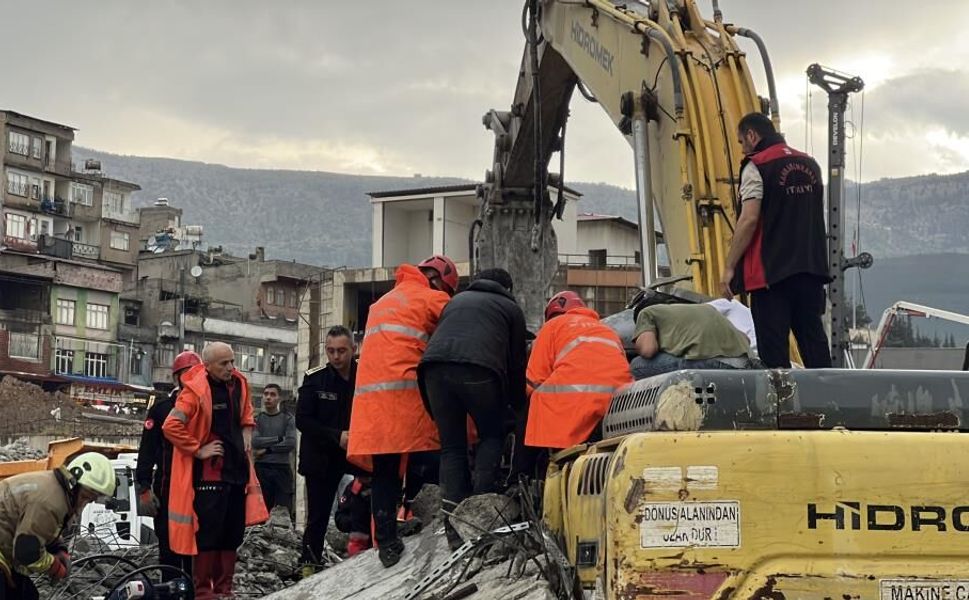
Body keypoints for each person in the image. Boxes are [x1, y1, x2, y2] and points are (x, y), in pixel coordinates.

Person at [348, 254, 456, 568]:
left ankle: (386, 538)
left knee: (385, 472)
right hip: (408, 399)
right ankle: (419, 523)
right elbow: (459, 329)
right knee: (427, 462)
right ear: (439, 282)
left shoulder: (381, 303)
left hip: (373, 404)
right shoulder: (432, 299)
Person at [418, 268, 527, 549]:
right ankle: (480, 515)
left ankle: (452, 525)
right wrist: (517, 408)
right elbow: (516, 365)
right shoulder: (510, 308)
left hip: (432, 370)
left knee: (451, 447)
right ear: (508, 287)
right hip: (478, 369)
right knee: (491, 434)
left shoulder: (455, 301)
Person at [721, 112, 832, 369]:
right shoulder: (811, 165)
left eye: (741, 141)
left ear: (752, 135)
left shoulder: (756, 166)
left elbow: (749, 220)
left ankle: (781, 408)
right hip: (810, 270)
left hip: (771, 275)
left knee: (774, 356)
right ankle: (831, 401)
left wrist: (729, 267)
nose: (742, 148)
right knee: (814, 345)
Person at [162, 341, 262, 600]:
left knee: (231, 534)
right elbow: (171, 426)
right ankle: (205, 592)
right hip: (210, 475)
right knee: (209, 535)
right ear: (207, 367)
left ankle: (224, 590)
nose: (231, 367)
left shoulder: (239, 383)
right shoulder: (194, 391)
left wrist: (247, 432)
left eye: (232, 361)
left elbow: (247, 413)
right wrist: (198, 450)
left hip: (236, 472)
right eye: (224, 363)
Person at [523, 291, 632, 457]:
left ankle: (521, 474)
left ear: (551, 315)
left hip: (568, 409)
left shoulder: (553, 326)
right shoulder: (607, 330)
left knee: (530, 405)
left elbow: (534, 380)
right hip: (614, 407)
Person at [0, 452, 116, 599]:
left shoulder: (58, 492)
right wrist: (54, 566)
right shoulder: (49, 502)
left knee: (28, 595)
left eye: (91, 499)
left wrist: (59, 548)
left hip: (6, 551)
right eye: (85, 497)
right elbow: (27, 553)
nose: (84, 504)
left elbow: (43, 530)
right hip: (7, 552)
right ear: (73, 487)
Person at [134, 350, 201, 584]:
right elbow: (146, 452)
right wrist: (144, 487)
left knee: (197, 555)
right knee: (169, 554)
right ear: (176, 378)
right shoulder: (161, 410)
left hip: (199, 491)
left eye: (197, 373)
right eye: (187, 374)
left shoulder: (205, 408)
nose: (192, 378)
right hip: (167, 491)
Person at [295, 325, 359, 571]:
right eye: (330, 351)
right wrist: (336, 436)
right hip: (321, 457)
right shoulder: (315, 378)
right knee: (317, 517)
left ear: (353, 349)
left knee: (365, 505)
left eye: (342, 351)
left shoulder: (364, 374)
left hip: (356, 455)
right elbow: (303, 420)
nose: (336, 357)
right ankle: (309, 564)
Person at [629, 303, 754, 379]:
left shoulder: (646, 313)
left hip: (714, 363)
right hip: (747, 363)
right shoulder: (703, 308)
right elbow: (746, 339)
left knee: (636, 365)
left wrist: (639, 342)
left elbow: (648, 350)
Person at [252, 384, 297, 513]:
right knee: (262, 510)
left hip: (281, 468)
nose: (268, 397)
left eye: (272, 394)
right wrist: (278, 438)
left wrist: (267, 450)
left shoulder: (288, 419)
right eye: (266, 394)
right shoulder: (257, 419)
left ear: (279, 398)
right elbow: (255, 441)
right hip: (262, 468)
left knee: (282, 511)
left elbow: (290, 443)